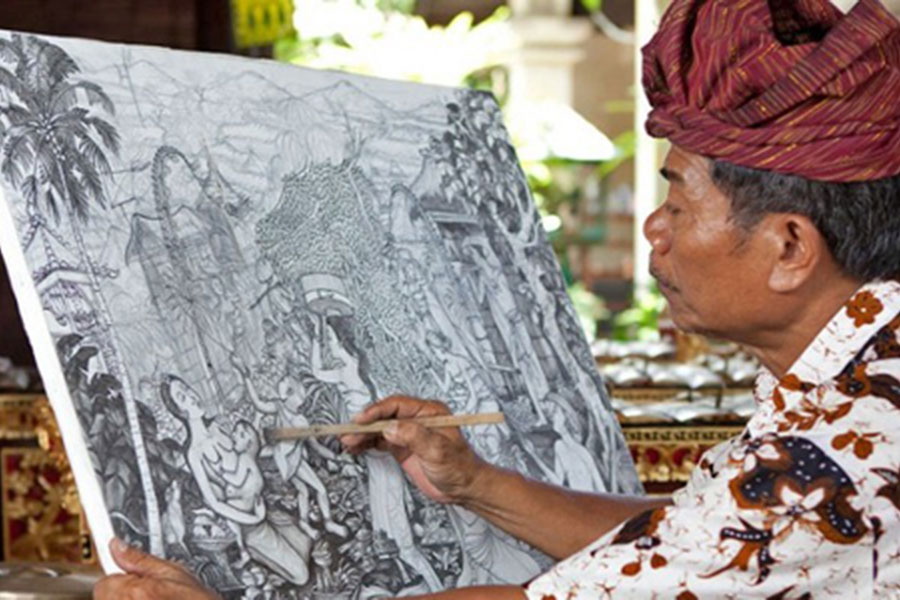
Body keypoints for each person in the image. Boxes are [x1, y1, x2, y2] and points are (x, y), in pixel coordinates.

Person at [94, 0, 900, 597]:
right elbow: (683, 544)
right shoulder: (858, 382)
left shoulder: (829, 465)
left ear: (790, 248)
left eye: (680, 202)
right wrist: (476, 483)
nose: (654, 228)